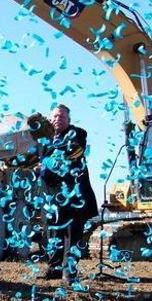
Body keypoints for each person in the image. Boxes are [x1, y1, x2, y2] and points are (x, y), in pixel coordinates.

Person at [36, 104, 97, 281]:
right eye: (54, 116)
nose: (57, 119)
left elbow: (68, 152)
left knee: (72, 233)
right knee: (52, 233)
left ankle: (69, 270)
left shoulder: (77, 134)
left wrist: (45, 163)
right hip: (51, 196)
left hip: (73, 196)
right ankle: (54, 268)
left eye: (61, 117)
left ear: (69, 120)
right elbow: (36, 162)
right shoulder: (44, 141)